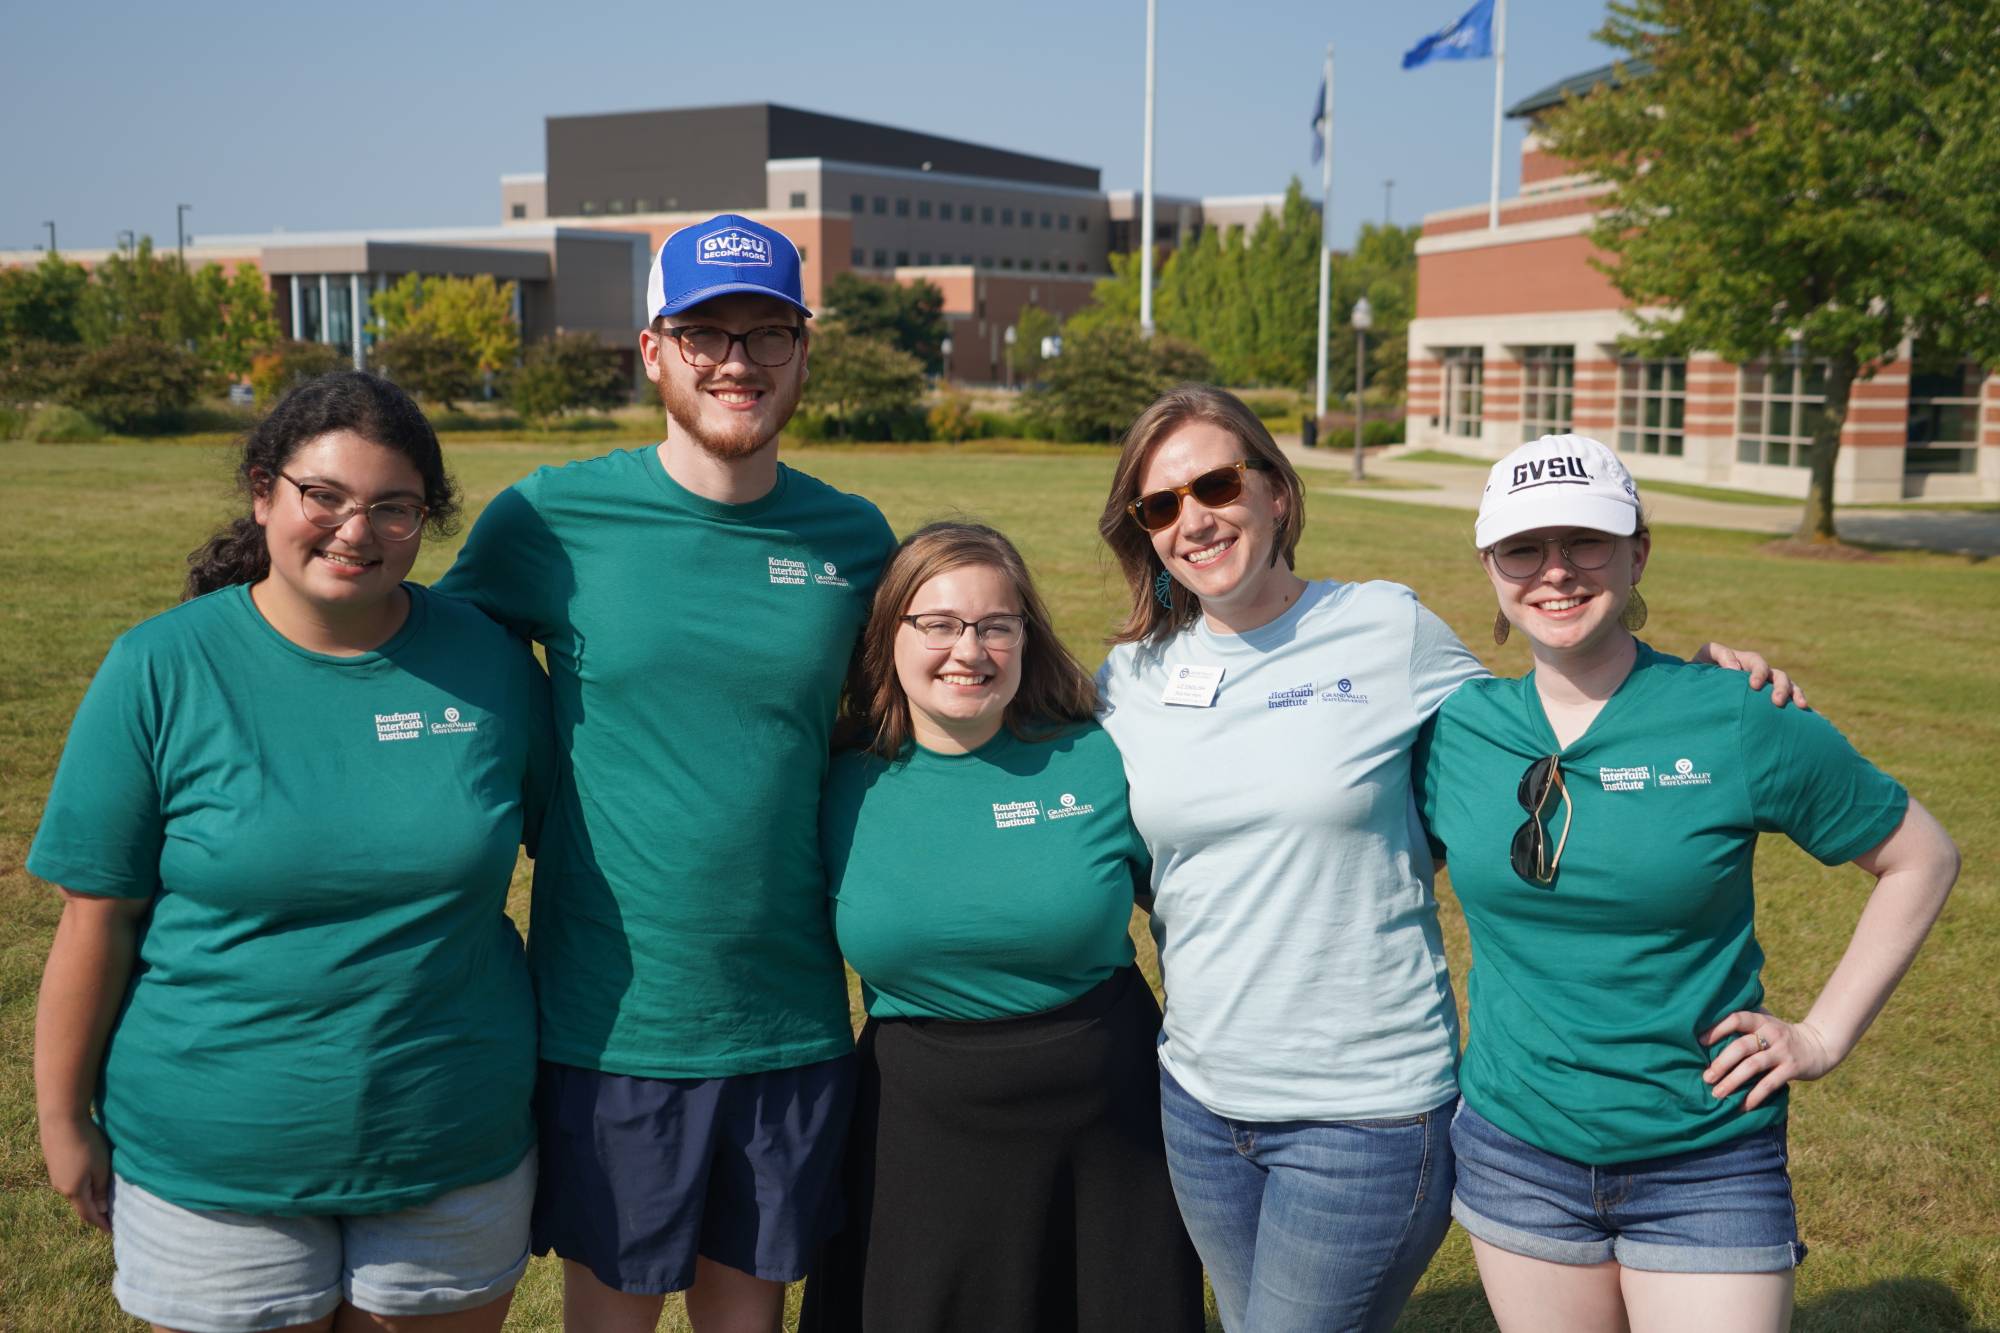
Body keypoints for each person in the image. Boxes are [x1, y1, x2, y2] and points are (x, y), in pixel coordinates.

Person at [1092, 385, 1794, 1333]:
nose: (1195, 518)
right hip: (1201, 1101)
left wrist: (1689, 688)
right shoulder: (1129, 678)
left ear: (1277, 494)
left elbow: (1547, 719)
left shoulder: (1385, 629)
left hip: (1365, 1109)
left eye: (1217, 483)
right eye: (1162, 504)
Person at [433, 213, 896, 1333]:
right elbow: (426, 657)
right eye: (703, 334)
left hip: (788, 1016)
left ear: (802, 351)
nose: (736, 360)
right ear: (653, 350)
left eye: (766, 332)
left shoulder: (854, 541)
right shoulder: (550, 517)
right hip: (614, 1023)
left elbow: (905, 725)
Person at [30, 371, 550, 1333]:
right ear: (264, 493)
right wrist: (62, 1119)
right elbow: (95, 917)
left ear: (426, 520)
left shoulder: (488, 665)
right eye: (326, 497)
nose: (357, 530)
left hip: (449, 1141)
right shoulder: (160, 666)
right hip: (216, 1159)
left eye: (394, 507)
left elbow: (575, 861)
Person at [1413, 434, 1958, 1333]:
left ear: (1638, 552)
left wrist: (1822, 1035)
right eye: (1524, 548)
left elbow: (1921, 856)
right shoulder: (1456, 730)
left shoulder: (1737, 715)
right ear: (1490, 566)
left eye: (1586, 541)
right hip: (1518, 1147)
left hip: (1706, 1153)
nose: (1556, 571)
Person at [800, 522, 1205, 1333]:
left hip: (1104, 1124)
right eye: (939, 624)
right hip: (918, 1127)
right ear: (889, 634)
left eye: (996, 625)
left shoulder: (1098, 756)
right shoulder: (835, 782)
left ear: (1026, 635)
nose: (970, 649)